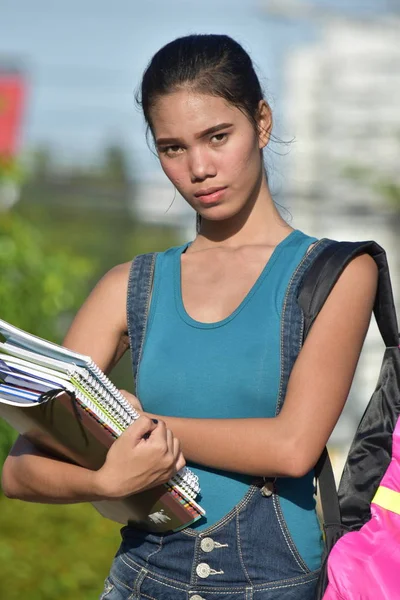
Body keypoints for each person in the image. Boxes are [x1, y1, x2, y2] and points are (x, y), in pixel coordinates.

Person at [1, 34, 378, 600]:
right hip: (139, 580)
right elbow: (18, 468)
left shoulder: (335, 273)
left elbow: (293, 446)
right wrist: (103, 479)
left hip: (271, 587)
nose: (199, 167)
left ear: (263, 123)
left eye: (217, 137)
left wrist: (142, 427)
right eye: (172, 147)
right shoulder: (131, 287)